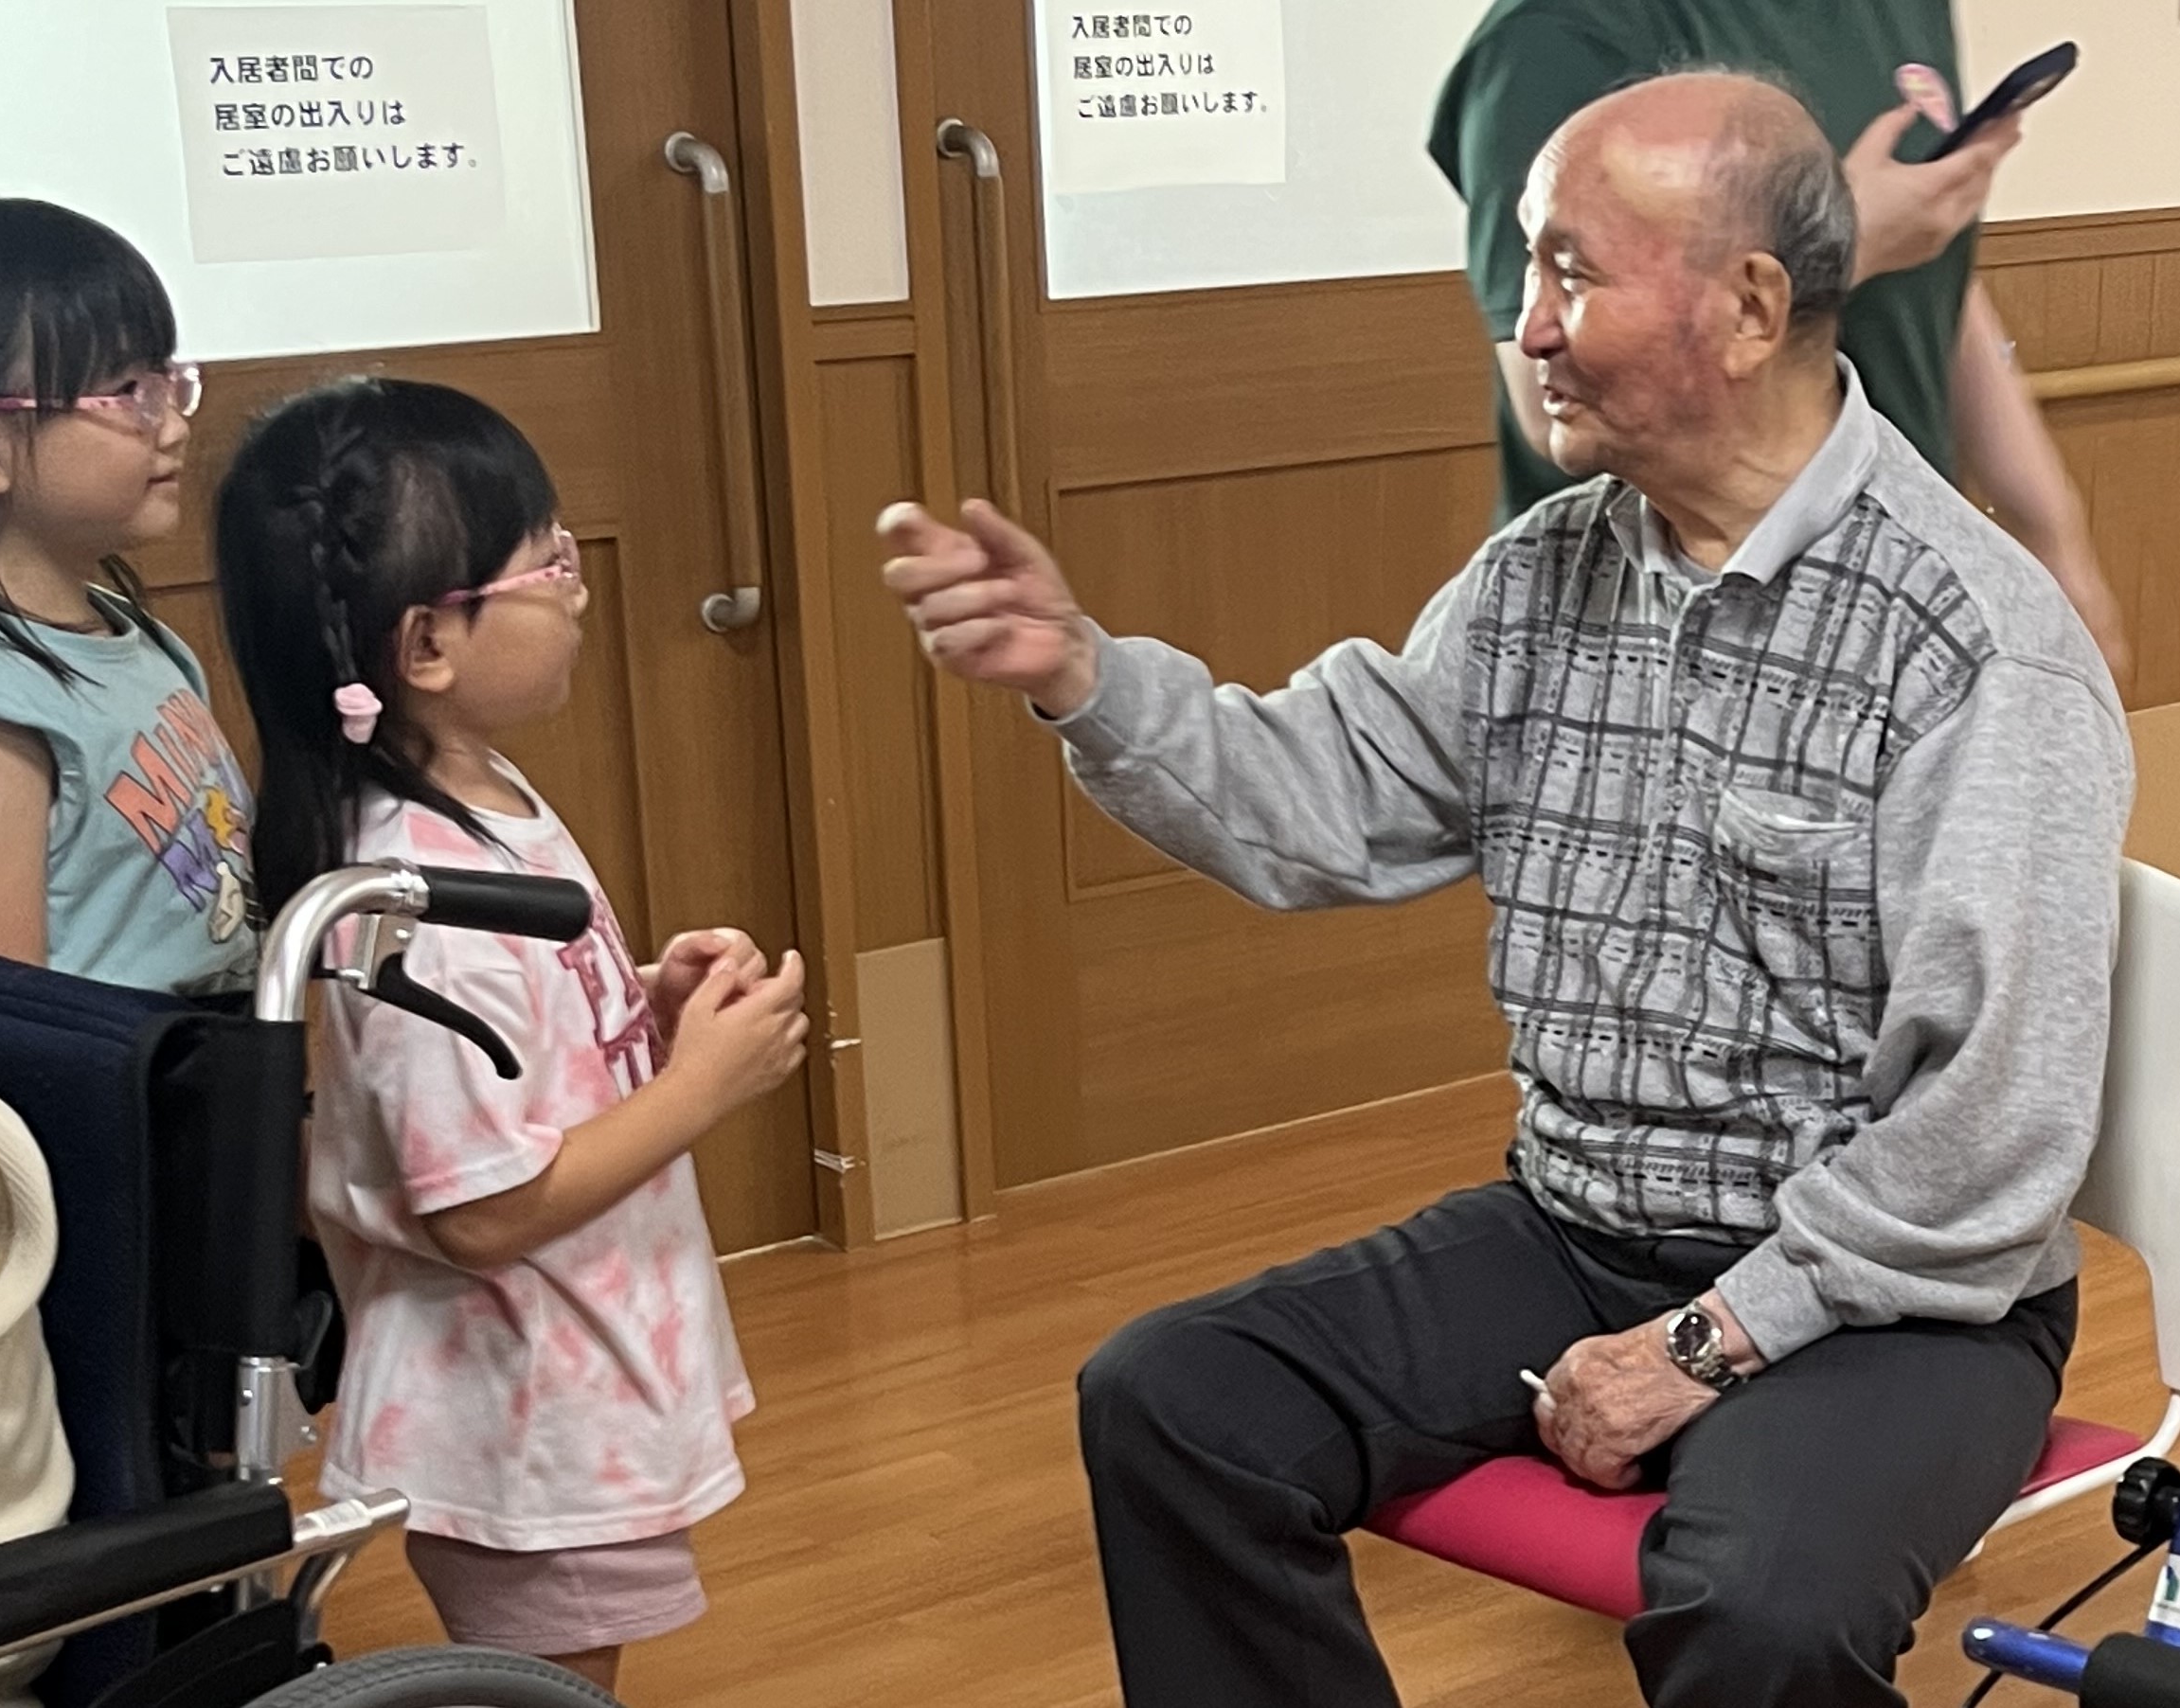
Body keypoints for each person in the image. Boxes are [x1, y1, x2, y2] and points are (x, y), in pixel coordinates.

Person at [881, 72, 2131, 1708]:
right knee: (1176, 1401)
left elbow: (1985, 1136)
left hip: (1898, 1299)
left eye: (1569, 272)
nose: (1525, 326)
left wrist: (1702, 1343)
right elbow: (1325, 803)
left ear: (1749, 307)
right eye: (1524, 271)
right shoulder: (1545, 571)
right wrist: (1081, 675)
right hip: (1578, 1227)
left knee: (1760, 1607)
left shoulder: (1974, 644)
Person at [215, 376, 807, 1691]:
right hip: (527, 1418)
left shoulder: (473, 799)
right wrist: (702, 1088)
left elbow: (505, 1059)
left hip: (565, 1378)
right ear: (427, 644)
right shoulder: (417, 894)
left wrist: (635, 1003)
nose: (577, 589)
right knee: (546, 1690)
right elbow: (478, 1210)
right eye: (547, 563)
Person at [1431, 1, 2132, 677]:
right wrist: (1842, 239)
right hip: (1652, 625)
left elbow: (1935, 268)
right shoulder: (1551, 35)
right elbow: (1545, 394)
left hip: (1897, 590)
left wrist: (2051, 537)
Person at [0, 197, 257, 995]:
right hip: (108, 1072)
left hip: (211, 1053)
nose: (172, 425)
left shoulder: (121, 632)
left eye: (167, 380)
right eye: (126, 391)